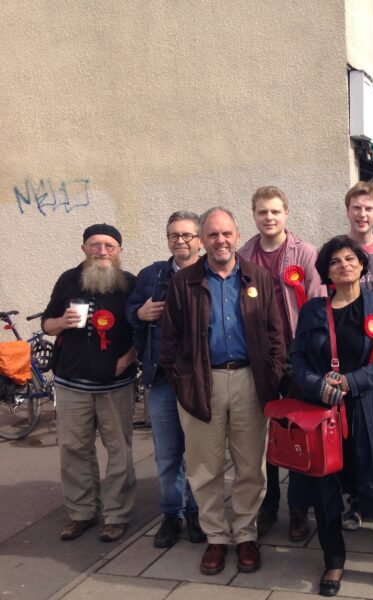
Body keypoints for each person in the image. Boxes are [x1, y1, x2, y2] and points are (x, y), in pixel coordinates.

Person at [160, 207, 286, 576]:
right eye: (212, 235)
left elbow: (276, 333)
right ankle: (216, 538)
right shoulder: (184, 282)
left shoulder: (257, 277)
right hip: (203, 382)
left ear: (236, 234)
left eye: (226, 233)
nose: (220, 241)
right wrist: (181, 380)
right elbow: (169, 342)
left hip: (249, 382)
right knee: (204, 466)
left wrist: (273, 373)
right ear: (202, 239)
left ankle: (245, 535)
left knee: (251, 466)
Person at [290, 235, 373, 600]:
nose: (343, 265)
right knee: (325, 488)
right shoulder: (313, 311)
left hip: (370, 410)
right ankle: (334, 559)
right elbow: (298, 359)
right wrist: (316, 385)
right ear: (326, 271)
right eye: (334, 261)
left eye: (350, 259)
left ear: (362, 266)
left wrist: (350, 382)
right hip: (323, 412)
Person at [239, 185, 326, 542]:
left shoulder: (304, 253)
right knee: (262, 437)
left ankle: (299, 509)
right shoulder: (244, 255)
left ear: (286, 213)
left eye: (275, 211)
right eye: (262, 212)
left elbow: (318, 302)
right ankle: (267, 505)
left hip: (297, 358)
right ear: (254, 215)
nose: (269, 218)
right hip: (258, 358)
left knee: (297, 435)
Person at [42, 224, 138, 543]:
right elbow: (47, 323)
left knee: (119, 450)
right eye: (95, 245)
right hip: (71, 383)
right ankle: (81, 512)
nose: (102, 251)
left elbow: (144, 328)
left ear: (119, 251)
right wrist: (60, 322)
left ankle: (116, 514)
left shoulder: (130, 284)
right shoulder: (68, 280)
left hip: (115, 385)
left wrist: (129, 357)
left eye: (109, 246)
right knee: (73, 449)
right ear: (84, 248)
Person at [125, 211, 206, 548]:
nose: (180, 240)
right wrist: (139, 314)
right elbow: (128, 312)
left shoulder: (212, 273)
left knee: (200, 453)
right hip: (161, 380)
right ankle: (171, 514)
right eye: (174, 235)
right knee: (168, 454)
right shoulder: (153, 275)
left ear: (200, 240)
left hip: (202, 380)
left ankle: (197, 513)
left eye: (187, 235)